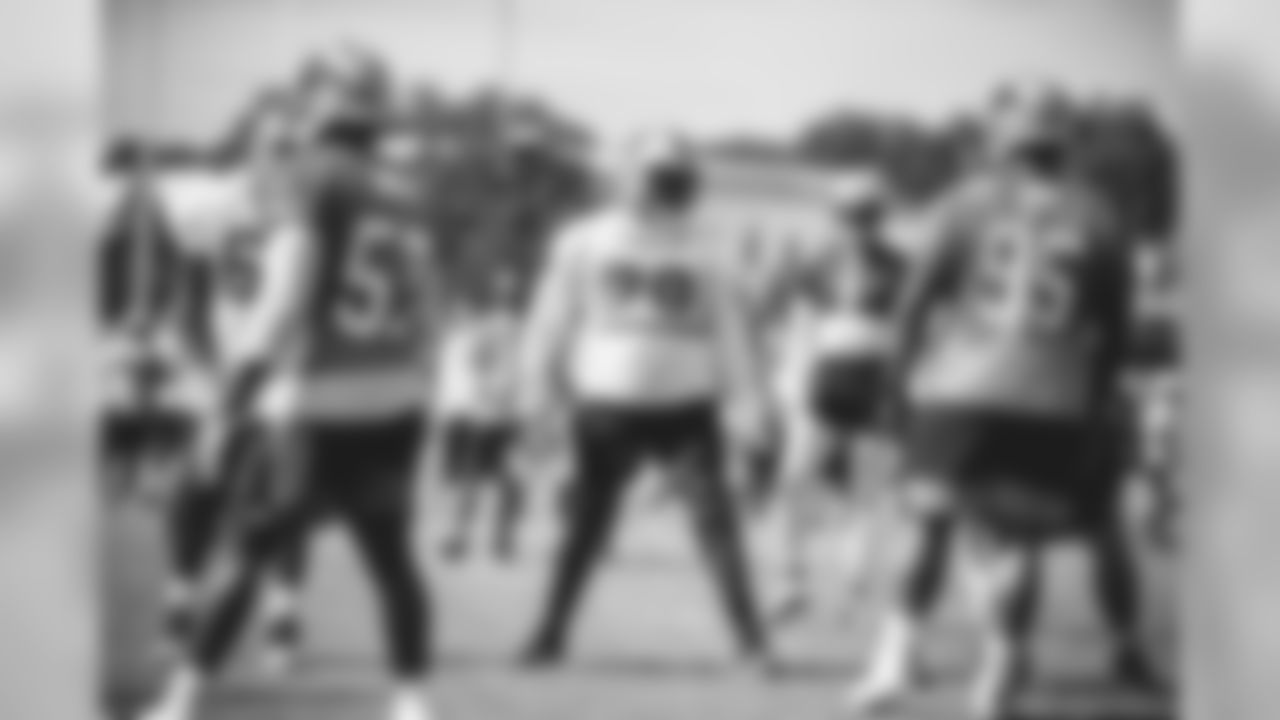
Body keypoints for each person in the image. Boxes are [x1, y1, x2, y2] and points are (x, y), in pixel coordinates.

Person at [138, 45, 442, 720]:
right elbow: (428, 308)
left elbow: (285, 298)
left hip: (314, 399)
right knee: (393, 560)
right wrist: (424, 385)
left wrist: (235, 395)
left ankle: (180, 700)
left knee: (249, 555)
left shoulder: (309, 177)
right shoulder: (403, 193)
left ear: (317, 103)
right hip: (394, 398)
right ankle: (412, 703)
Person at [846, 86, 1157, 719]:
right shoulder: (1099, 217)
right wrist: (1093, 401)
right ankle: (997, 675)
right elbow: (1116, 331)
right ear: (1063, 145)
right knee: (1019, 541)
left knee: (928, 524)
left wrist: (896, 385)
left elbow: (914, 303)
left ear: (1004, 141)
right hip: (1052, 398)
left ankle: (892, 662)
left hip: (961, 389)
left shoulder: (966, 203)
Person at [518, 132, 773, 668]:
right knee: (586, 527)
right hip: (607, 401)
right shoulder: (584, 240)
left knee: (717, 525)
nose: (666, 190)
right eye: (657, 178)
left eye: (674, 179)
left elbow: (731, 331)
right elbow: (550, 320)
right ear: (627, 178)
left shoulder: (710, 245)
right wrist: (536, 390)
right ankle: (549, 632)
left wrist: (749, 403)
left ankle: (751, 640)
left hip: (687, 404)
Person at [770, 178, 900, 624]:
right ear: (835, 217)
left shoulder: (900, 266)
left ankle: (854, 586)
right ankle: (791, 580)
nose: (859, 224)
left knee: (868, 492)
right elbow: (799, 328)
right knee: (795, 481)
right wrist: (790, 388)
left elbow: (911, 332)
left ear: (881, 218)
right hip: (822, 381)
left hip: (876, 384)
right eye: (850, 215)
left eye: (868, 215)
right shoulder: (815, 263)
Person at [436, 272, 526, 561]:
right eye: (504, 293)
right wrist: (491, 388)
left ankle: (473, 538)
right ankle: (486, 538)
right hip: (495, 413)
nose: (506, 299)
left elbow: (474, 362)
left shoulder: (514, 328)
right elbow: (475, 362)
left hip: (500, 413)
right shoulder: (511, 328)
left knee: (491, 478)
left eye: (509, 294)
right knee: (492, 478)